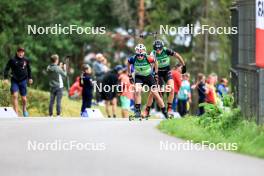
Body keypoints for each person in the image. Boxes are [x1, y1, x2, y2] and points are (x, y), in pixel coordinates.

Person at [144, 40, 185, 117]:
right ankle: (147, 109)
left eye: (160, 49)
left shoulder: (166, 50)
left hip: (166, 72)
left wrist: (184, 65)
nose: (158, 51)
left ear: (162, 47)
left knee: (172, 88)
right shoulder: (153, 53)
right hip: (157, 73)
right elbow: (150, 64)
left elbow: (178, 56)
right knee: (153, 92)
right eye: (156, 49)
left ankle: (169, 108)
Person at [127, 43, 168, 119]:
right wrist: (129, 74)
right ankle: (137, 111)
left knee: (156, 95)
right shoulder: (133, 58)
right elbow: (128, 63)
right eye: (138, 55)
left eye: (141, 55)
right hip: (139, 76)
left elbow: (156, 62)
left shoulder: (149, 58)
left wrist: (156, 73)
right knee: (137, 90)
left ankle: (165, 113)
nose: (140, 57)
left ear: (144, 54)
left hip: (149, 77)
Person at [3, 47, 33, 117]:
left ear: (24, 53)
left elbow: (29, 69)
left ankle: (24, 109)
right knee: (15, 96)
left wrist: (30, 78)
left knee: (24, 99)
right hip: (14, 80)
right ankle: (16, 113)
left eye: (22, 52)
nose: (20, 53)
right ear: (17, 52)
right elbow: (7, 68)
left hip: (23, 81)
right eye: (19, 52)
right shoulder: (12, 60)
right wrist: (5, 78)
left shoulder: (26, 60)